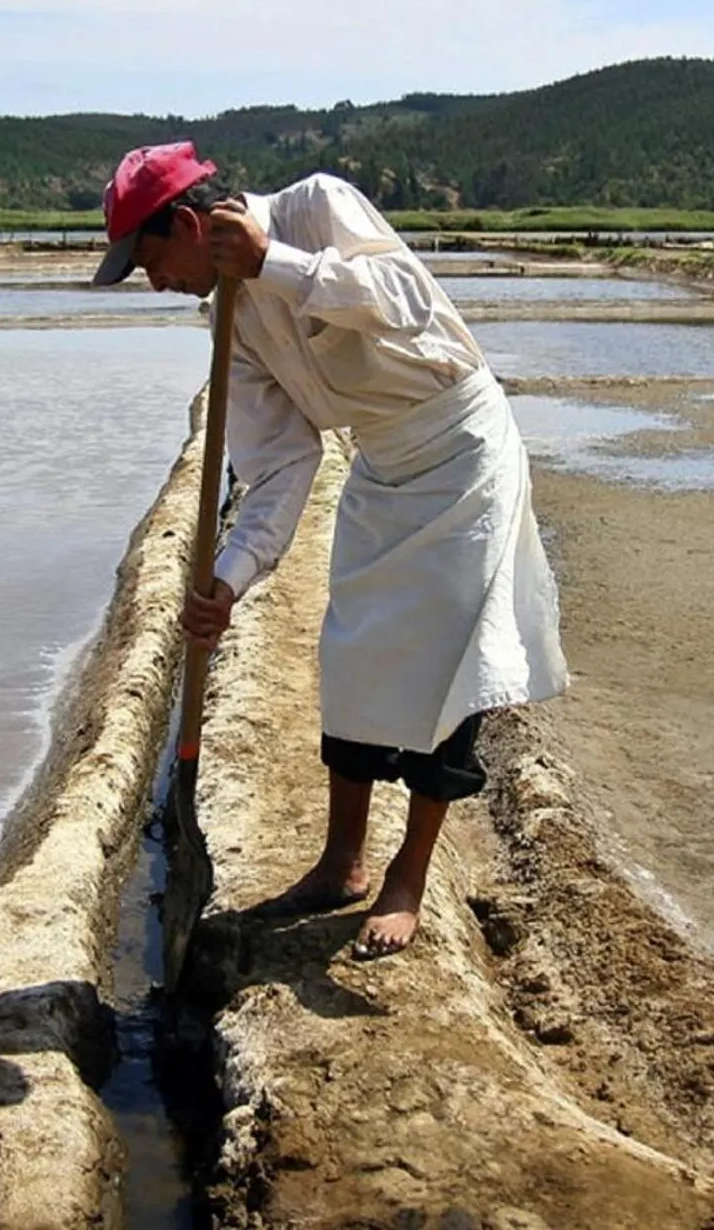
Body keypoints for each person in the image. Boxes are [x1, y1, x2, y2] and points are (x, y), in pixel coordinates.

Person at [94, 141, 568, 958]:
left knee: (448, 667)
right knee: (352, 653)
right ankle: (342, 861)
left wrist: (273, 261)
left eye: (148, 259)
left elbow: (404, 301)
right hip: (382, 464)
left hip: (461, 450)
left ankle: (409, 874)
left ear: (183, 223)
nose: (155, 281)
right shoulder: (230, 324)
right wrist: (229, 581)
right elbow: (280, 462)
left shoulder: (315, 207)